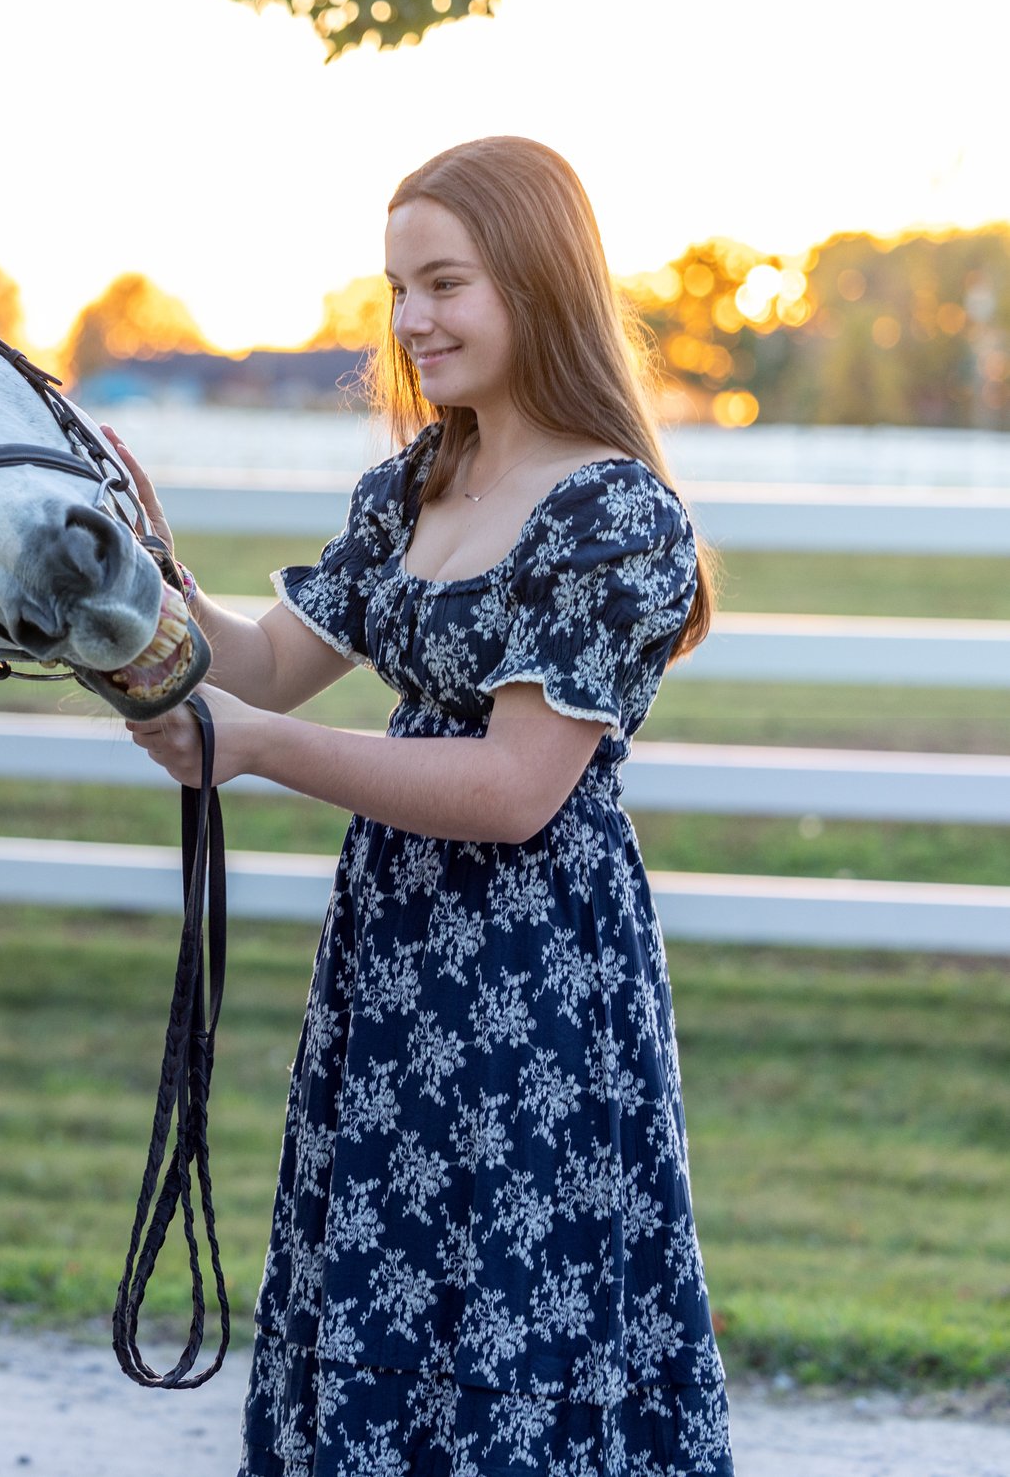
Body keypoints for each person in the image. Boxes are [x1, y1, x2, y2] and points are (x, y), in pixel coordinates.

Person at [102, 136, 734, 1477]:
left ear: (537, 281)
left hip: (534, 980)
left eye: (445, 283)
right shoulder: (418, 485)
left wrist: (259, 751)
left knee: (513, 1297)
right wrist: (138, 566)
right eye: (397, 288)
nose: (412, 322)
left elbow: (513, 790)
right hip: (394, 961)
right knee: (386, 1276)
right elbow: (266, 659)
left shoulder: (614, 516)